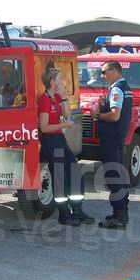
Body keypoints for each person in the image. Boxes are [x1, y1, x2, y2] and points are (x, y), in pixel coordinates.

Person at [38, 67, 93, 226]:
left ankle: (77, 210)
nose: (63, 81)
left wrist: (63, 97)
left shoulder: (56, 97)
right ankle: (63, 214)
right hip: (51, 141)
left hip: (59, 139)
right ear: (52, 81)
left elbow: (68, 116)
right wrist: (64, 124)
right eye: (60, 78)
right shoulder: (44, 99)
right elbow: (44, 127)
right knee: (60, 178)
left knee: (75, 172)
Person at [91, 61, 133, 229]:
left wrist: (98, 115)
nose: (102, 75)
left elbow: (115, 116)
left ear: (115, 71)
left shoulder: (117, 89)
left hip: (111, 137)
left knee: (114, 177)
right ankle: (120, 213)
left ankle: (119, 216)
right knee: (120, 176)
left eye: (104, 71)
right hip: (118, 137)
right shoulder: (125, 87)